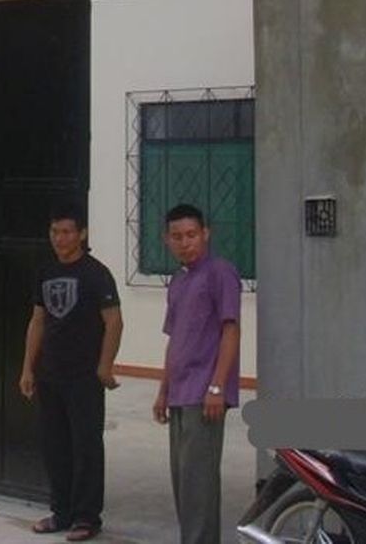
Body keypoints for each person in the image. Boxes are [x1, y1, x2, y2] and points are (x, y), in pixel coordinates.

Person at [19, 205, 124, 542]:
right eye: (54, 232)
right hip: (50, 375)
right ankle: (61, 511)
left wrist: (105, 366)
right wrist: (27, 368)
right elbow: (37, 321)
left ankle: (87, 517)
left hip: (84, 378)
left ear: (81, 234)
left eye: (66, 232)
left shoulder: (96, 274)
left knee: (86, 447)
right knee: (56, 447)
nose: (60, 239)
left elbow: (114, 322)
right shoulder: (46, 271)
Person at [152, 203, 241, 544]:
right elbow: (175, 340)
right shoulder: (178, 280)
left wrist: (217, 387)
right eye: (177, 237)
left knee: (200, 485)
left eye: (191, 235)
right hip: (179, 394)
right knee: (184, 483)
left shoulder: (220, 273)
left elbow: (230, 330)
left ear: (206, 234)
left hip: (205, 395)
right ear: (166, 240)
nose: (185, 242)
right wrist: (162, 391)